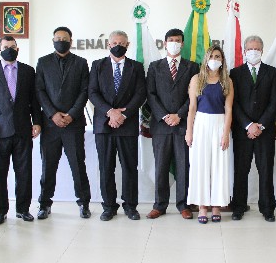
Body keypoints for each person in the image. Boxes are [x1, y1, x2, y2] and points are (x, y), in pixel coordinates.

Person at [0, 36, 42, 225]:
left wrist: (37, 122)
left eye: (13, 47)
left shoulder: (28, 71)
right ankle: (0, 210)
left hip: (23, 129)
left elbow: (34, 100)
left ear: (18, 49)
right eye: (6, 47)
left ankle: (23, 209)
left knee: (24, 172)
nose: (9, 49)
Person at [88, 30, 146, 221]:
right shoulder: (97, 65)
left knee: (129, 167)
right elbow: (92, 92)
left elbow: (140, 94)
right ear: (108, 45)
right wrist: (110, 112)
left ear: (127, 45)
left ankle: (130, 206)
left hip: (127, 125)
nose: (117, 46)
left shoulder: (136, 67)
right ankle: (108, 206)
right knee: (106, 168)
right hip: (103, 125)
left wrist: (123, 114)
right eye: (114, 43)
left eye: (121, 43)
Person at [35, 26, 91, 220]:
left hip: (73, 124)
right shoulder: (43, 62)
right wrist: (53, 114)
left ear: (70, 41)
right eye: (57, 38)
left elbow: (84, 91)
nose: (61, 41)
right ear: (53, 41)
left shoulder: (81, 63)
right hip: (50, 125)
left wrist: (71, 115)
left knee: (78, 165)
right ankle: (44, 204)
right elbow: (40, 91)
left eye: (64, 38)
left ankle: (83, 203)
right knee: (48, 166)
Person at [145, 29, 199, 220]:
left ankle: (183, 205)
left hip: (183, 125)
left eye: (178, 40)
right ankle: (159, 205)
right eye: (171, 40)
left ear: (182, 44)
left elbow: (195, 95)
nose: (174, 43)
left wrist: (179, 115)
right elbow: (150, 94)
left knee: (184, 166)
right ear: (165, 43)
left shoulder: (193, 67)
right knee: (161, 166)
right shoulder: (154, 67)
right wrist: (164, 116)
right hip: (161, 125)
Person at [229, 36, 276, 222]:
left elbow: (275, 102)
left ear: (262, 51)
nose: (253, 52)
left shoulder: (272, 72)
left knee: (265, 170)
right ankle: (238, 206)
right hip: (242, 131)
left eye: (257, 49)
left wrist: (261, 125)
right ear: (244, 51)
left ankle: (267, 208)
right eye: (250, 49)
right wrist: (248, 125)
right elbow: (233, 103)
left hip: (265, 131)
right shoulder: (235, 73)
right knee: (241, 170)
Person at [185, 46, 234, 224]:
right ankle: (202, 206)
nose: (214, 59)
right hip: (201, 125)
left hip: (220, 124)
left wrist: (226, 133)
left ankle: (216, 206)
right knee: (201, 165)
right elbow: (192, 108)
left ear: (222, 60)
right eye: (212, 56)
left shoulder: (227, 81)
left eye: (218, 56)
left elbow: (229, 109)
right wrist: (189, 131)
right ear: (206, 58)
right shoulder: (197, 79)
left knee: (219, 166)